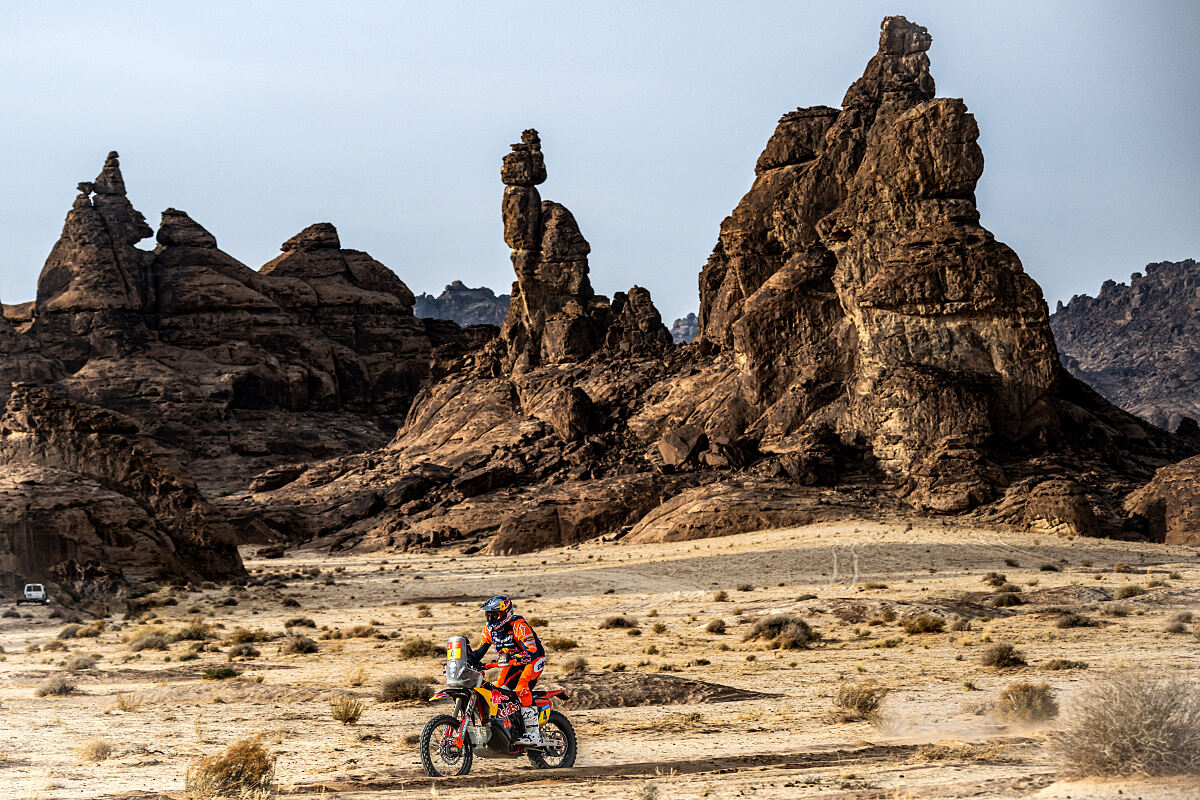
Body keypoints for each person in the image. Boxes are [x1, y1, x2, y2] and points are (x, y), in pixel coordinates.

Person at [469, 595, 546, 745]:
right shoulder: (489, 629)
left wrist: (518, 657)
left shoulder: (519, 625)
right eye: (488, 615)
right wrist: (465, 658)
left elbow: (533, 651)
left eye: (494, 615)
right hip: (511, 663)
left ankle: (533, 733)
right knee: (498, 692)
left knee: (522, 688)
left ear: (505, 613)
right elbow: (480, 651)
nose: (490, 619)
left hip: (533, 661)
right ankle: (511, 727)